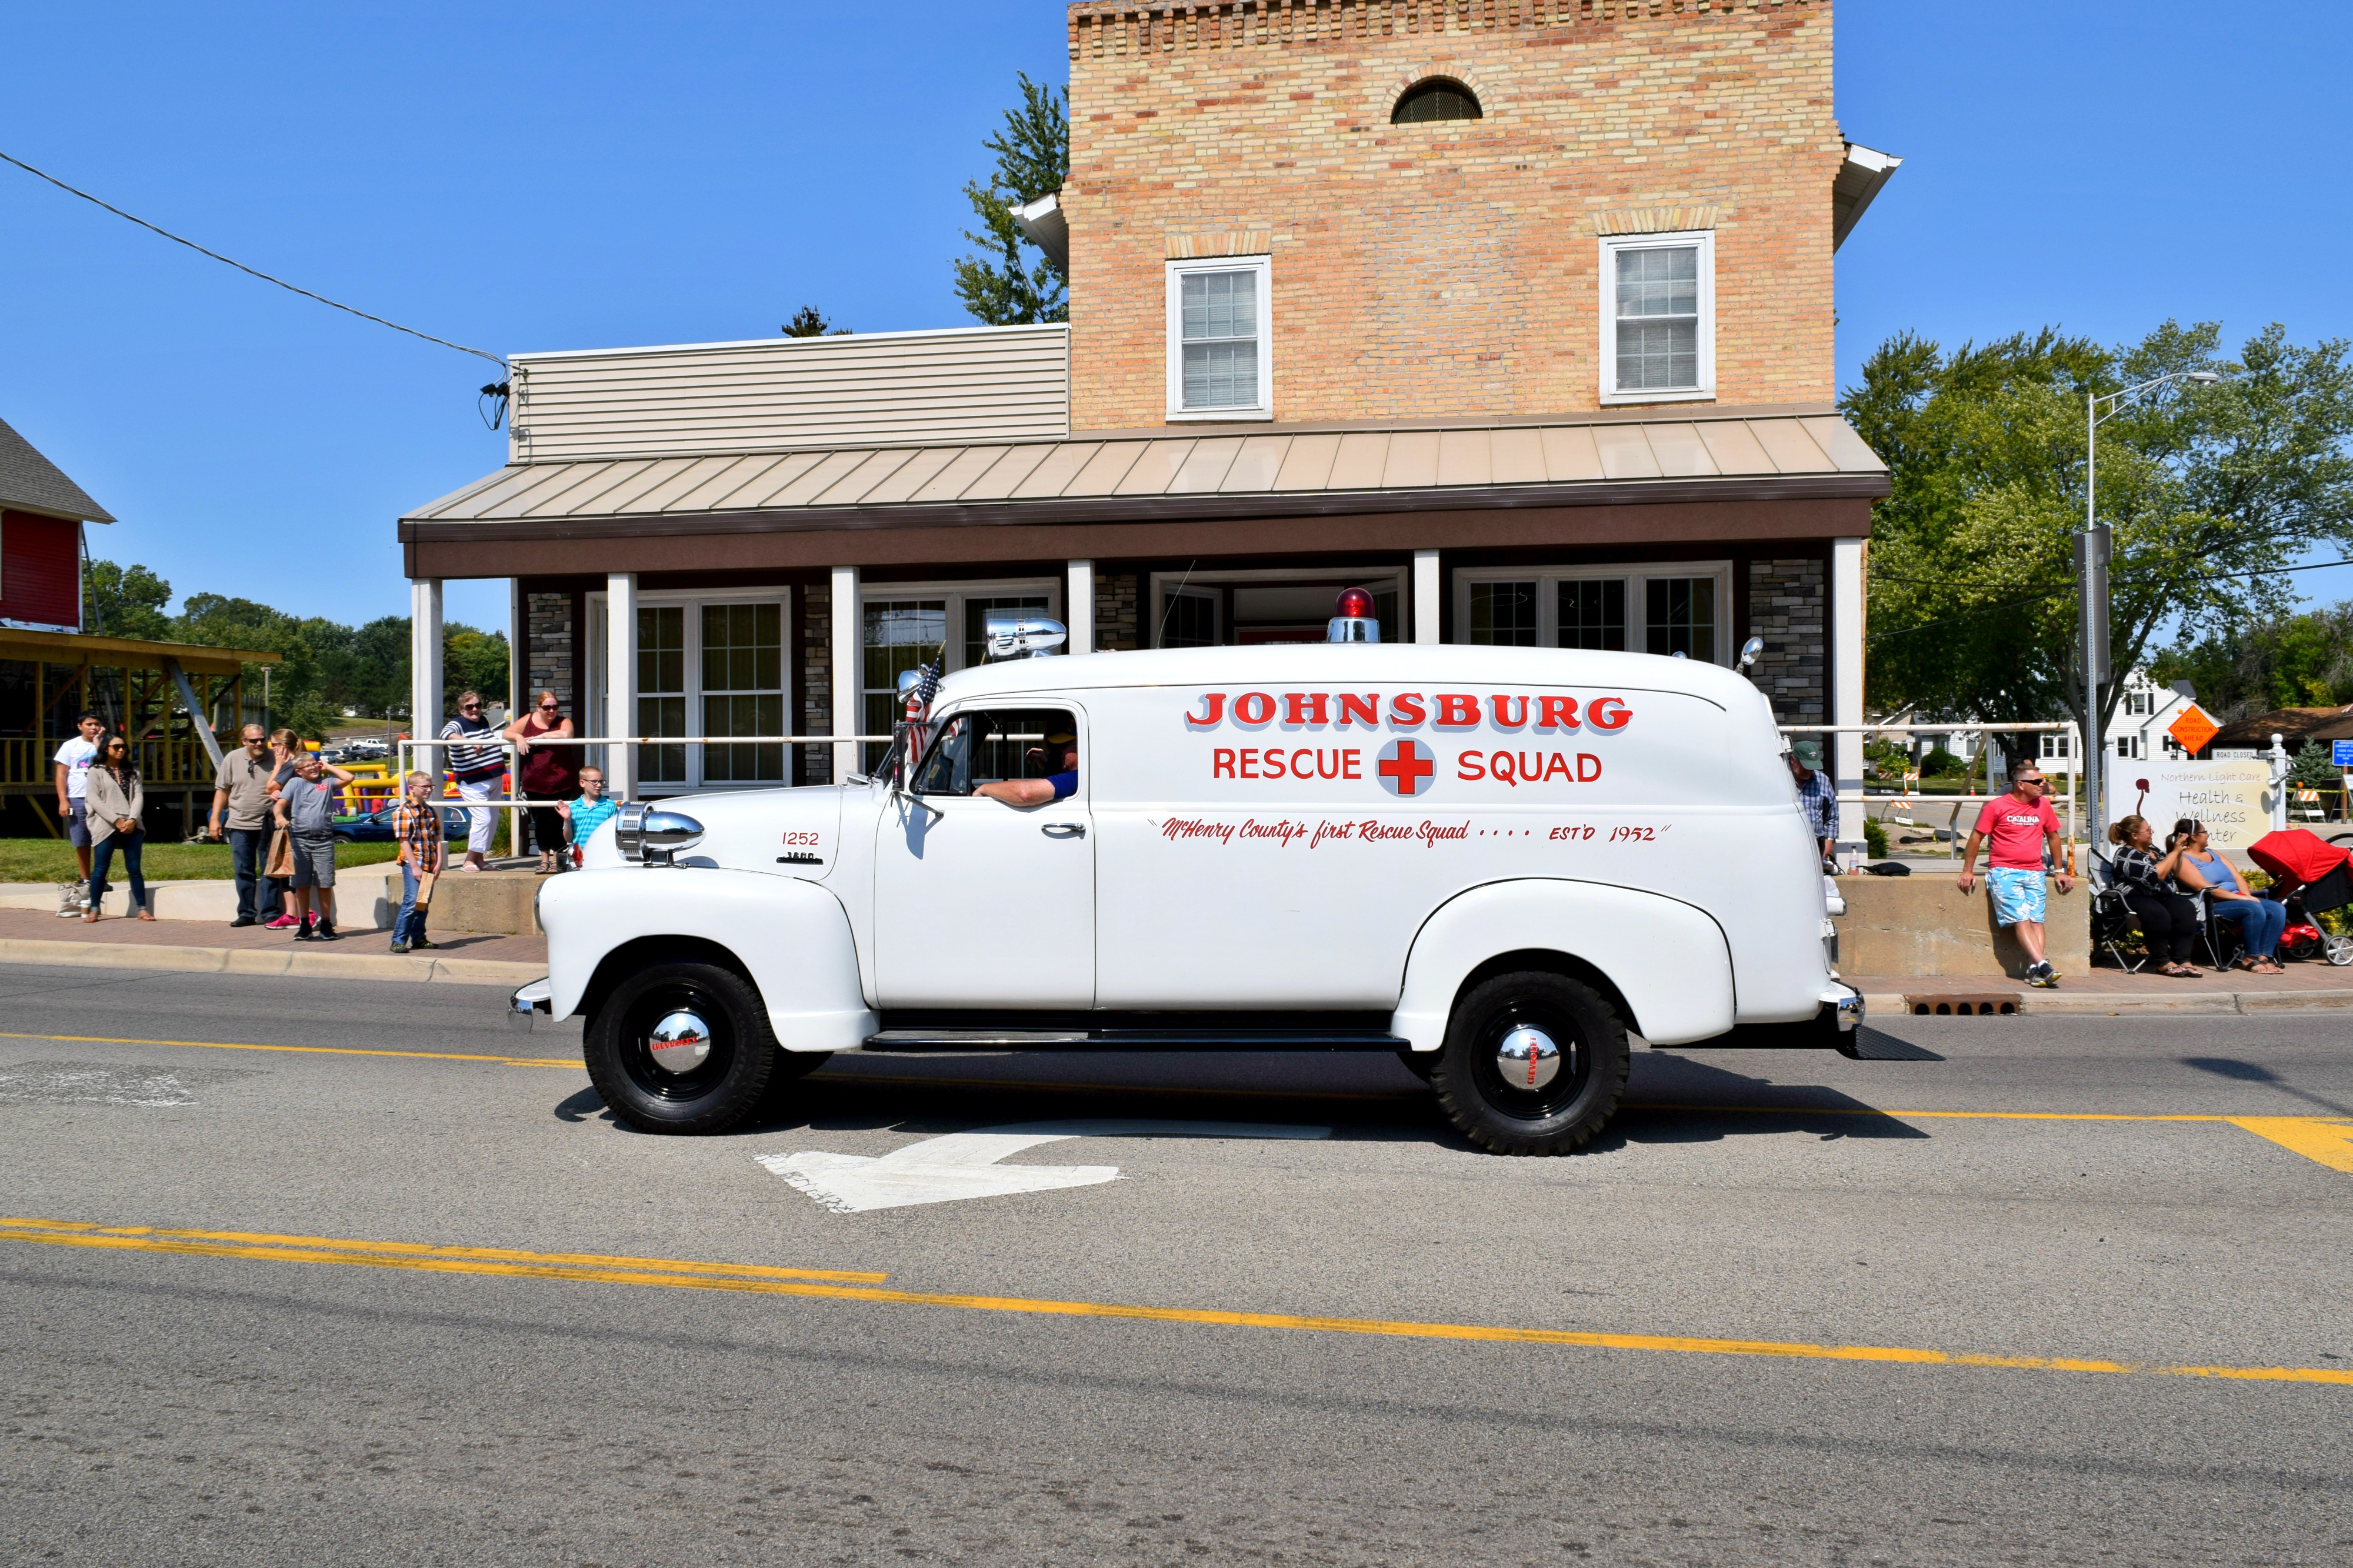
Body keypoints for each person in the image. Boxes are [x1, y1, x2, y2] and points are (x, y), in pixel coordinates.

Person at [1957, 765, 2075, 987]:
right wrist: (1967, 870)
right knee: (2021, 919)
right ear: (2021, 785)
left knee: (2037, 921)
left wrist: (2060, 872)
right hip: (2004, 871)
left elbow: (2054, 837)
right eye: (2037, 781)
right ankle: (2044, 965)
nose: (2043, 785)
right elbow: (1976, 837)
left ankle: (2034, 970)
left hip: (2036, 871)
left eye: (2043, 780)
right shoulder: (1997, 806)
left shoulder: (2043, 805)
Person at [2169, 818, 2285, 976]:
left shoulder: (2213, 853)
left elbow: (2237, 876)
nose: (2208, 835)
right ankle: (2250, 957)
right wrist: (2242, 899)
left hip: (2238, 899)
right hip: (2212, 904)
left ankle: (2264, 956)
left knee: (2277, 909)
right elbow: (2204, 887)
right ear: (2195, 837)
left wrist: (2246, 896)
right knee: (2253, 908)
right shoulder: (2182, 859)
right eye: (2205, 832)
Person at [272, 749, 355, 942]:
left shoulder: (327, 783)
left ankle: (326, 924)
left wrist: (327, 766)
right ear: (299, 771)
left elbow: (349, 778)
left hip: (324, 841)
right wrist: (279, 816)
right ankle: (304, 925)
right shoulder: (295, 783)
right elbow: (280, 804)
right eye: (307, 766)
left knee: (324, 883)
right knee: (301, 884)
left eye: (314, 764)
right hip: (300, 840)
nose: (313, 768)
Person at [2107, 814, 2201, 978]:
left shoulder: (2154, 851)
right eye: (2148, 830)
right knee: (2157, 913)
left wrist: (2178, 850)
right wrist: (2175, 852)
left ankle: (2183, 960)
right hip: (2133, 897)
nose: (2152, 832)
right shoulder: (2126, 855)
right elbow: (2156, 876)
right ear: (2135, 835)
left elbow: (2172, 871)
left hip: (2159, 895)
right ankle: (2162, 961)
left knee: (2185, 908)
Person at [208, 725, 282, 926]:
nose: (259, 743)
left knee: (270, 870)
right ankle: (247, 913)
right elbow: (222, 790)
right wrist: (215, 819)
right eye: (253, 741)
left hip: (268, 824)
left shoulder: (275, 758)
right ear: (244, 741)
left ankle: (271, 913)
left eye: (262, 739)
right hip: (239, 823)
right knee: (243, 870)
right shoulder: (232, 758)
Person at [81, 729, 154, 923]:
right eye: (116, 747)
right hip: (106, 824)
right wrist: (116, 820)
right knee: (101, 868)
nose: (121, 750)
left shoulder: (133, 771)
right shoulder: (96, 771)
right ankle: (94, 909)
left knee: (134, 868)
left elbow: (138, 796)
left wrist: (133, 819)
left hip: (132, 824)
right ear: (106, 749)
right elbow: (94, 799)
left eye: (124, 747)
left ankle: (142, 908)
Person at [504, 689, 577, 875]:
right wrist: (519, 737)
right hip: (534, 780)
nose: (551, 711)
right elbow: (507, 733)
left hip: (560, 780)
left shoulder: (563, 721)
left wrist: (541, 736)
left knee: (559, 821)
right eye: (547, 708)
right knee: (541, 822)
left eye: (555, 707)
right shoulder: (528, 719)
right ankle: (544, 860)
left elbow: (567, 734)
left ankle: (556, 860)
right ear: (538, 707)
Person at [441, 690, 506, 873]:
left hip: (495, 778)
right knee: (483, 819)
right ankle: (469, 860)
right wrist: (470, 742)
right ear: (462, 710)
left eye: (478, 705)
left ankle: (480, 859)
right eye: (469, 707)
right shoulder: (458, 723)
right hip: (472, 782)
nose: (475, 709)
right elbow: (445, 735)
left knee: (492, 820)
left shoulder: (483, 721)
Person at [52, 712, 104, 913]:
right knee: (81, 839)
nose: (93, 727)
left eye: (97, 724)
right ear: (80, 726)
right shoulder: (70, 746)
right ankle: (86, 879)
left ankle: (100, 878)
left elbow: (110, 764)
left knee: (102, 838)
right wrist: (63, 800)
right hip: (78, 797)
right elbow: (61, 775)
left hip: (102, 798)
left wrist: (99, 741)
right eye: (89, 724)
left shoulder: (106, 744)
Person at [389, 770, 444, 955]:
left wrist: (439, 862)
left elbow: (437, 838)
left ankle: (419, 938)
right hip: (414, 863)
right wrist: (414, 867)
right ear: (412, 788)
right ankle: (398, 940)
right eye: (424, 787)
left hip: (430, 863)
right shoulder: (403, 811)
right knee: (411, 901)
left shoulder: (430, 811)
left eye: (431, 787)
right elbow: (404, 841)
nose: (429, 790)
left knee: (423, 902)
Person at [261, 729, 306, 929]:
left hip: (288, 822)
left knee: (289, 868)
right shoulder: (293, 765)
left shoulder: (290, 765)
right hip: (283, 821)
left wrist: (277, 765)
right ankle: (291, 914)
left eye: (273, 745)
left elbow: (269, 787)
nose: (271, 749)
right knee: (283, 869)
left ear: (282, 746)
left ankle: (303, 913)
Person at [976, 728, 1078, 807]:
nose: (1060, 750)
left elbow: (1026, 794)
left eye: (1066, 746)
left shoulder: (1076, 777)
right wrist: (1046, 764)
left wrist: (983, 789)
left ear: (1081, 747)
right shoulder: (1076, 776)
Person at [1785, 740, 1837, 868]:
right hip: (1785, 843)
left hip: (1816, 843)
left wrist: (1829, 840)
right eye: (1806, 765)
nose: (1810, 770)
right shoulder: (1781, 780)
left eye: (1813, 766)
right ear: (1793, 760)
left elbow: (1832, 816)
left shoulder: (1823, 781)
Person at [556, 765, 618, 864]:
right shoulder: (573, 807)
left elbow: (614, 835)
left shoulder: (610, 806)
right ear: (582, 783)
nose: (599, 785)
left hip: (602, 858)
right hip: (577, 858)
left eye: (601, 782)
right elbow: (568, 839)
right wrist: (567, 820)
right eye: (594, 781)